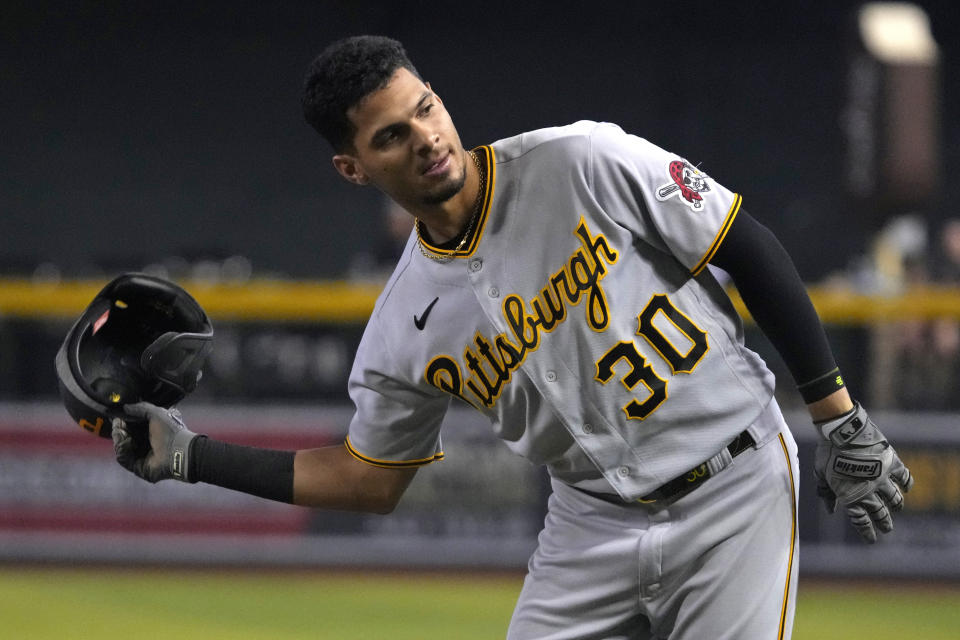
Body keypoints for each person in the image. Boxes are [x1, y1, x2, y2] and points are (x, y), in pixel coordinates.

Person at [113, 35, 914, 639]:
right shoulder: (401, 329)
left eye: (424, 107)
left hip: (733, 487)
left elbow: (745, 245)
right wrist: (191, 456)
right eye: (390, 135)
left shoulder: (582, 160)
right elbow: (367, 479)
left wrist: (838, 416)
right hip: (590, 523)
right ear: (352, 168)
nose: (425, 137)